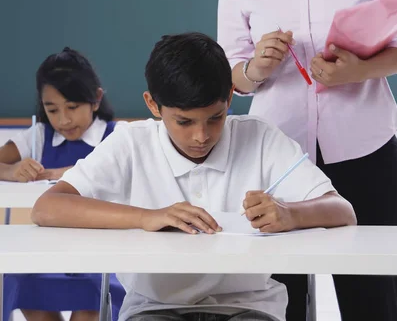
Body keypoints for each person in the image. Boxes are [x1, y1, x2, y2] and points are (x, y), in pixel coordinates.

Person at [32, 32, 355, 321]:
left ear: (230, 97)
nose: (201, 136)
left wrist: (289, 214)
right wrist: (148, 217)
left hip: (249, 307)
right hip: (154, 308)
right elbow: (47, 207)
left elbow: (343, 210)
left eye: (215, 118)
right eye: (184, 122)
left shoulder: (260, 138)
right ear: (153, 105)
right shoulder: (131, 143)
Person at [217, 0, 397, 321]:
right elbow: (232, 76)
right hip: (278, 157)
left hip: (367, 151)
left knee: (374, 299)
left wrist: (358, 70)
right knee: (280, 301)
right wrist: (256, 68)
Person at [1, 47, 124, 321]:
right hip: (47, 245)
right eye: (52, 109)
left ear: (95, 99)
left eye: (73, 107)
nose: (63, 120)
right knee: (21, 278)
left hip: (102, 248)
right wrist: (11, 171)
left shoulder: (118, 135)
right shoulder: (39, 136)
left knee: (91, 302)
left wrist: (60, 173)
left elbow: (118, 175)